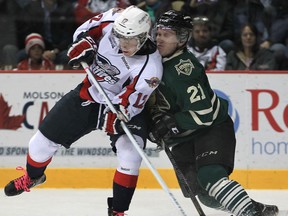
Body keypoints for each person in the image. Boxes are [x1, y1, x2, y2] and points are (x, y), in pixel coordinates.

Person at [4, 5, 163, 216]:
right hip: (88, 94)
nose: (123, 44)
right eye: (120, 37)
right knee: (39, 143)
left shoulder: (151, 69)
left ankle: (118, 210)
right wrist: (85, 43)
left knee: (131, 155)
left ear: (143, 37)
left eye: (130, 40)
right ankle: (33, 177)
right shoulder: (113, 19)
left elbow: (130, 105)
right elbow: (84, 31)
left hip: (122, 108)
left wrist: (117, 115)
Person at [148, 10, 279, 215]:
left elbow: (205, 112)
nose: (159, 38)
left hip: (210, 128)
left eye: (166, 34)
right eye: (158, 33)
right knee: (206, 197)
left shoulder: (185, 70)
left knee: (211, 176)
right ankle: (254, 208)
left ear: (181, 38)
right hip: (183, 137)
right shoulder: (152, 59)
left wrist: (169, 124)